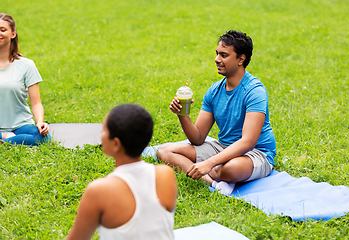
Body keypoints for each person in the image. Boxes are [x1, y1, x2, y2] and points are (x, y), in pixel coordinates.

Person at [157, 30, 276, 195]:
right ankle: (214, 183)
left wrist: (209, 163)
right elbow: (197, 138)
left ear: (241, 59)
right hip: (223, 147)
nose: (217, 59)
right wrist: (182, 115)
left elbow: (248, 142)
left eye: (224, 55)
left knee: (231, 169)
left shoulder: (255, 91)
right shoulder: (214, 91)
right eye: (217, 54)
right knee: (164, 151)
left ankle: (220, 173)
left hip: (255, 152)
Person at [67, 104, 177, 240]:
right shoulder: (166, 174)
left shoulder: (98, 190)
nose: (101, 134)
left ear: (116, 144)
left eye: (104, 130)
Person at [0, 13, 50, 146]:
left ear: (13, 34)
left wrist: (40, 122)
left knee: (43, 138)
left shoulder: (26, 65)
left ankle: (5, 139)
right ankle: (6, 137)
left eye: (3, 30)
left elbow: (36, 103)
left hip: (20, 125)